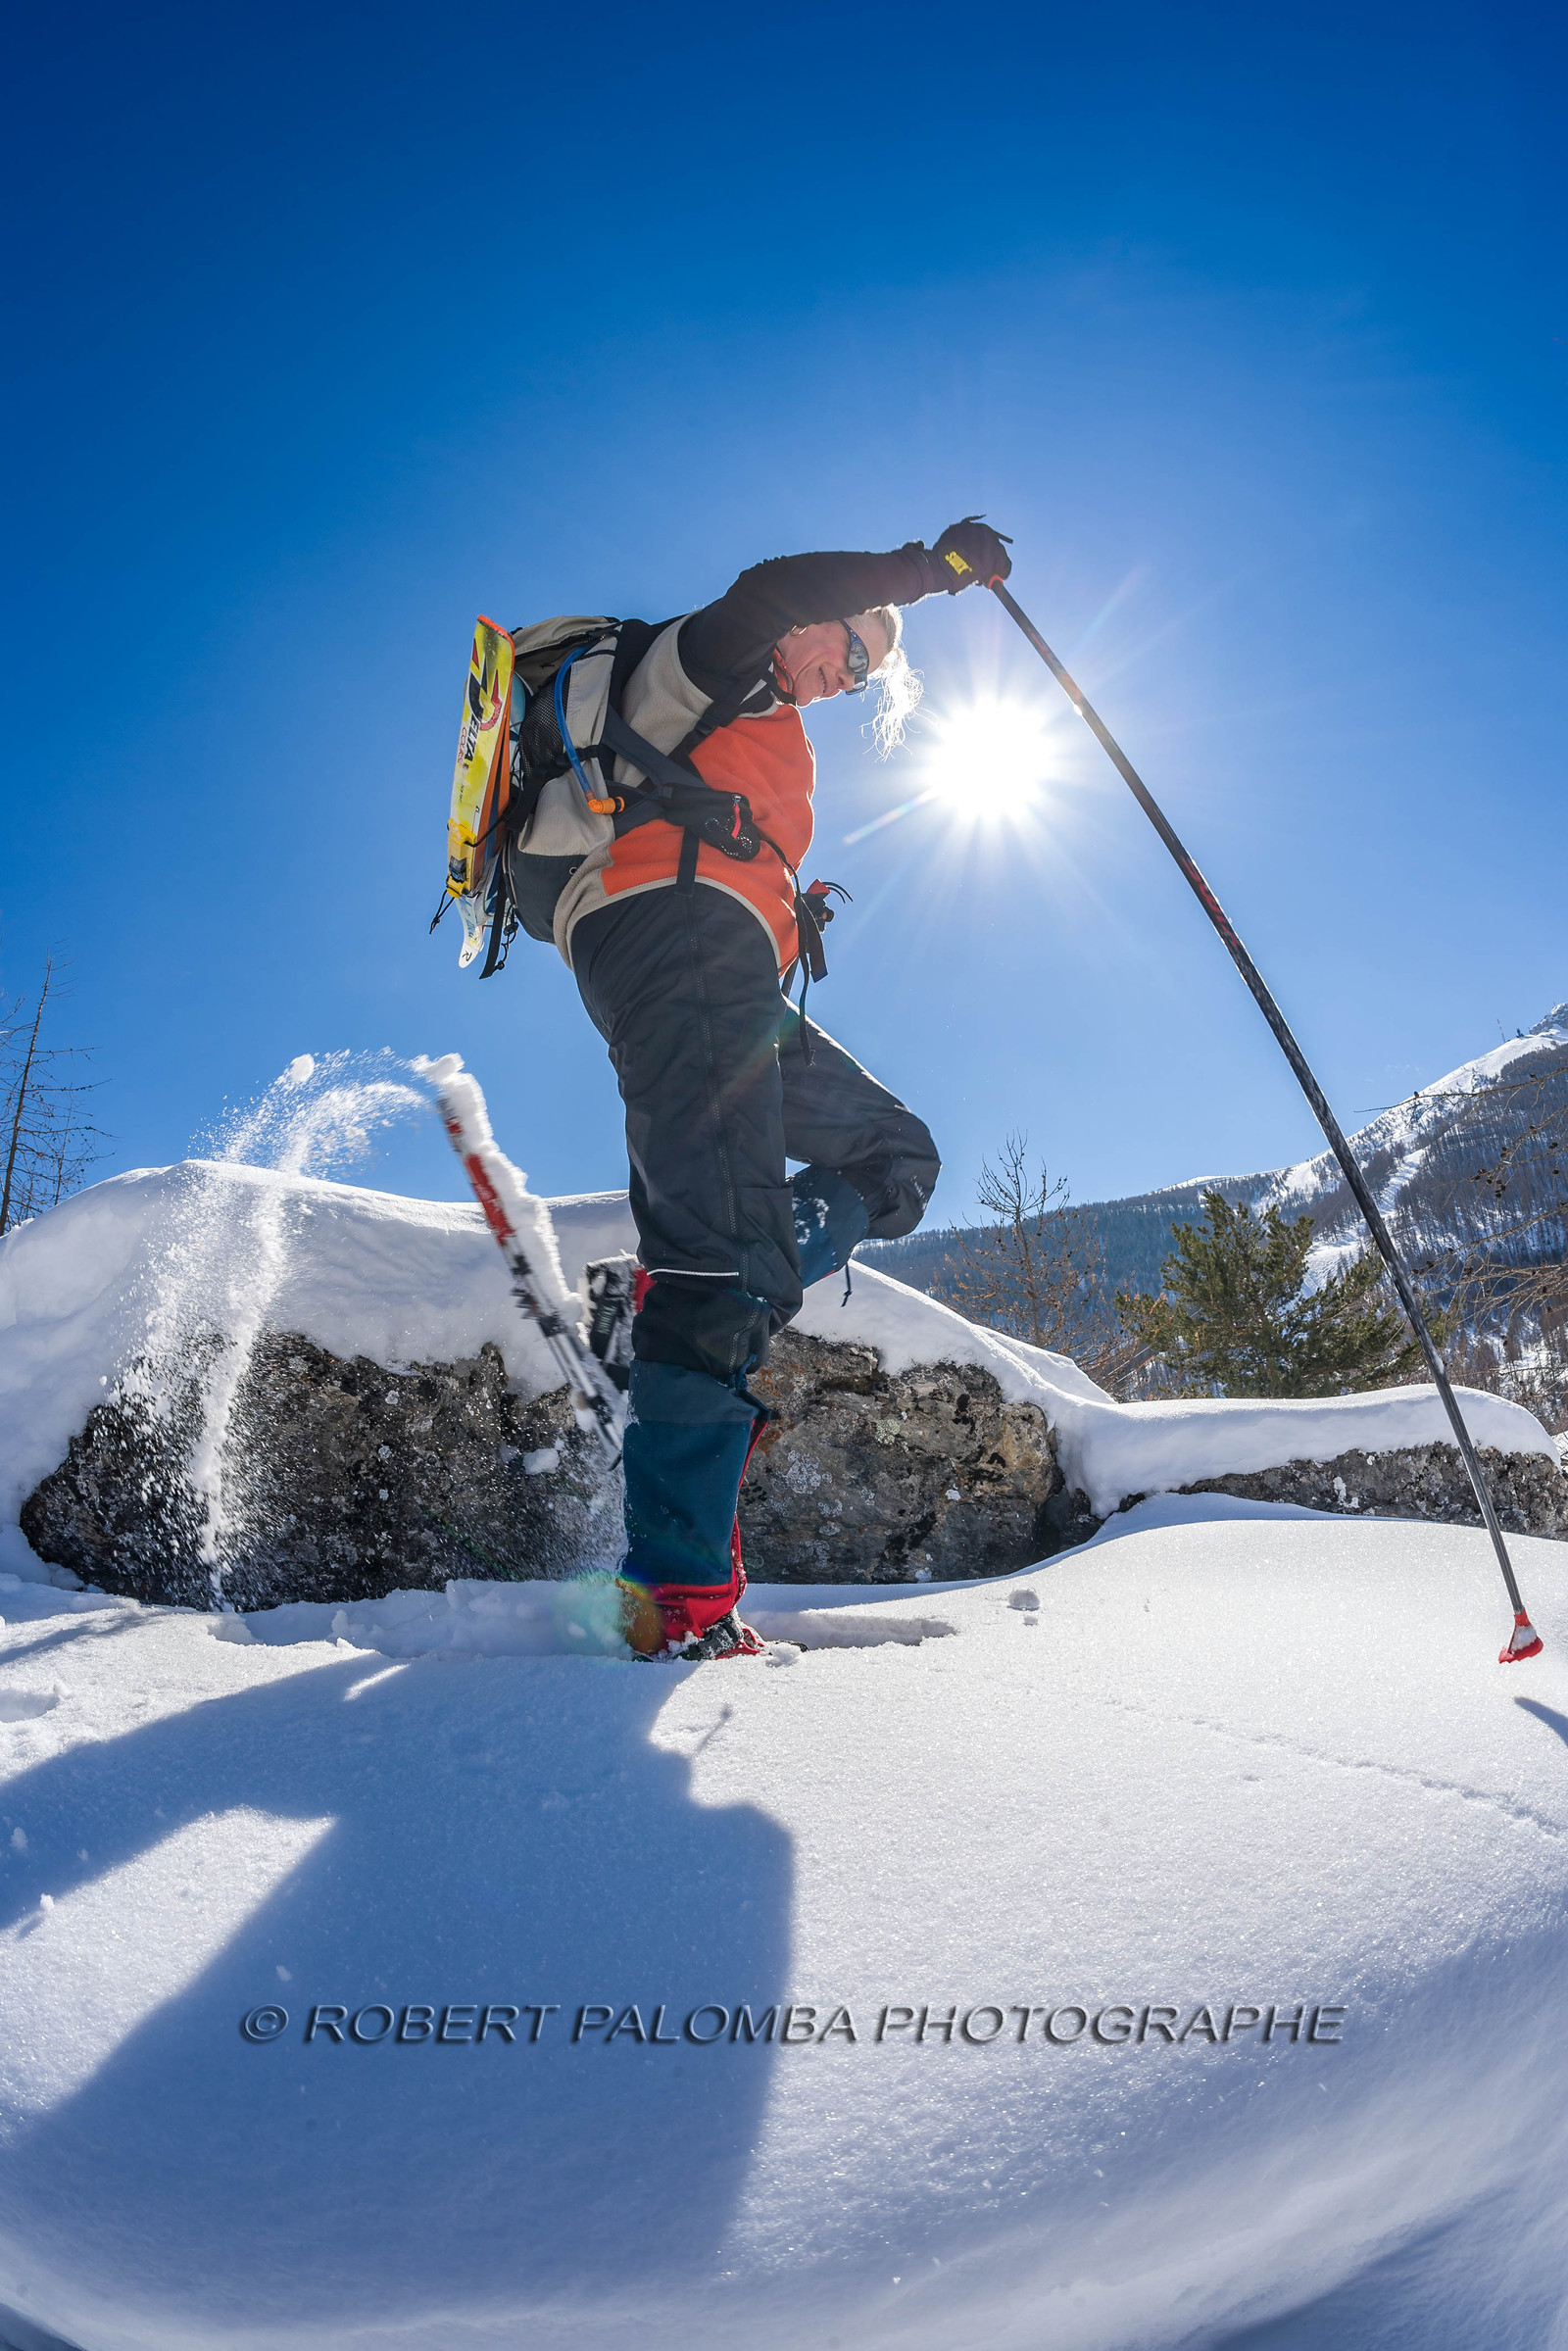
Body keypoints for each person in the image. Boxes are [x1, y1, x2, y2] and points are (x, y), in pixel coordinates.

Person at [557, 519, 1013, 1657]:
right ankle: (675, 1600)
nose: (842, 674)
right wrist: (930, 574)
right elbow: (775, 585)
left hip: (724, 977)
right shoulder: (706, 660)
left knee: (894, 1156)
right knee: (721, 1267)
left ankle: (670, 1311)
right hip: (669, 939)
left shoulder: (759, 730)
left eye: (863, 671)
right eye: (848, 647)